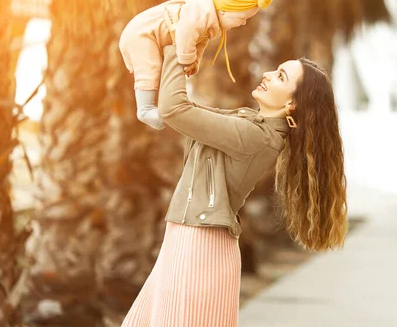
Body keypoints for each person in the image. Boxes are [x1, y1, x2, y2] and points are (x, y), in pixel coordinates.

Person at [121, 46, 349, 327]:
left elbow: (174, 110)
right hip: (191, 237)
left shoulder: (257, 136)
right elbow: (189, 113)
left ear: (292, 104)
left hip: (200, 243)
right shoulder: (248, 121)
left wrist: (176, 49)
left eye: (279, 76)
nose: (266, 74)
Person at [119, 0, 273, 130]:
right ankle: (145, 109)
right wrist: (186, 59)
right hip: (142, 35)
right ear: (225, 10)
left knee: (156, 70)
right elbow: (185, 32)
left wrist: (195, 61)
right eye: (242, 18)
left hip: (145, 35)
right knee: (150, 70)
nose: (243, 24)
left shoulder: (209, 19)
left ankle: (159, 106)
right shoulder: (200, 11)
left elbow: (200, 41)